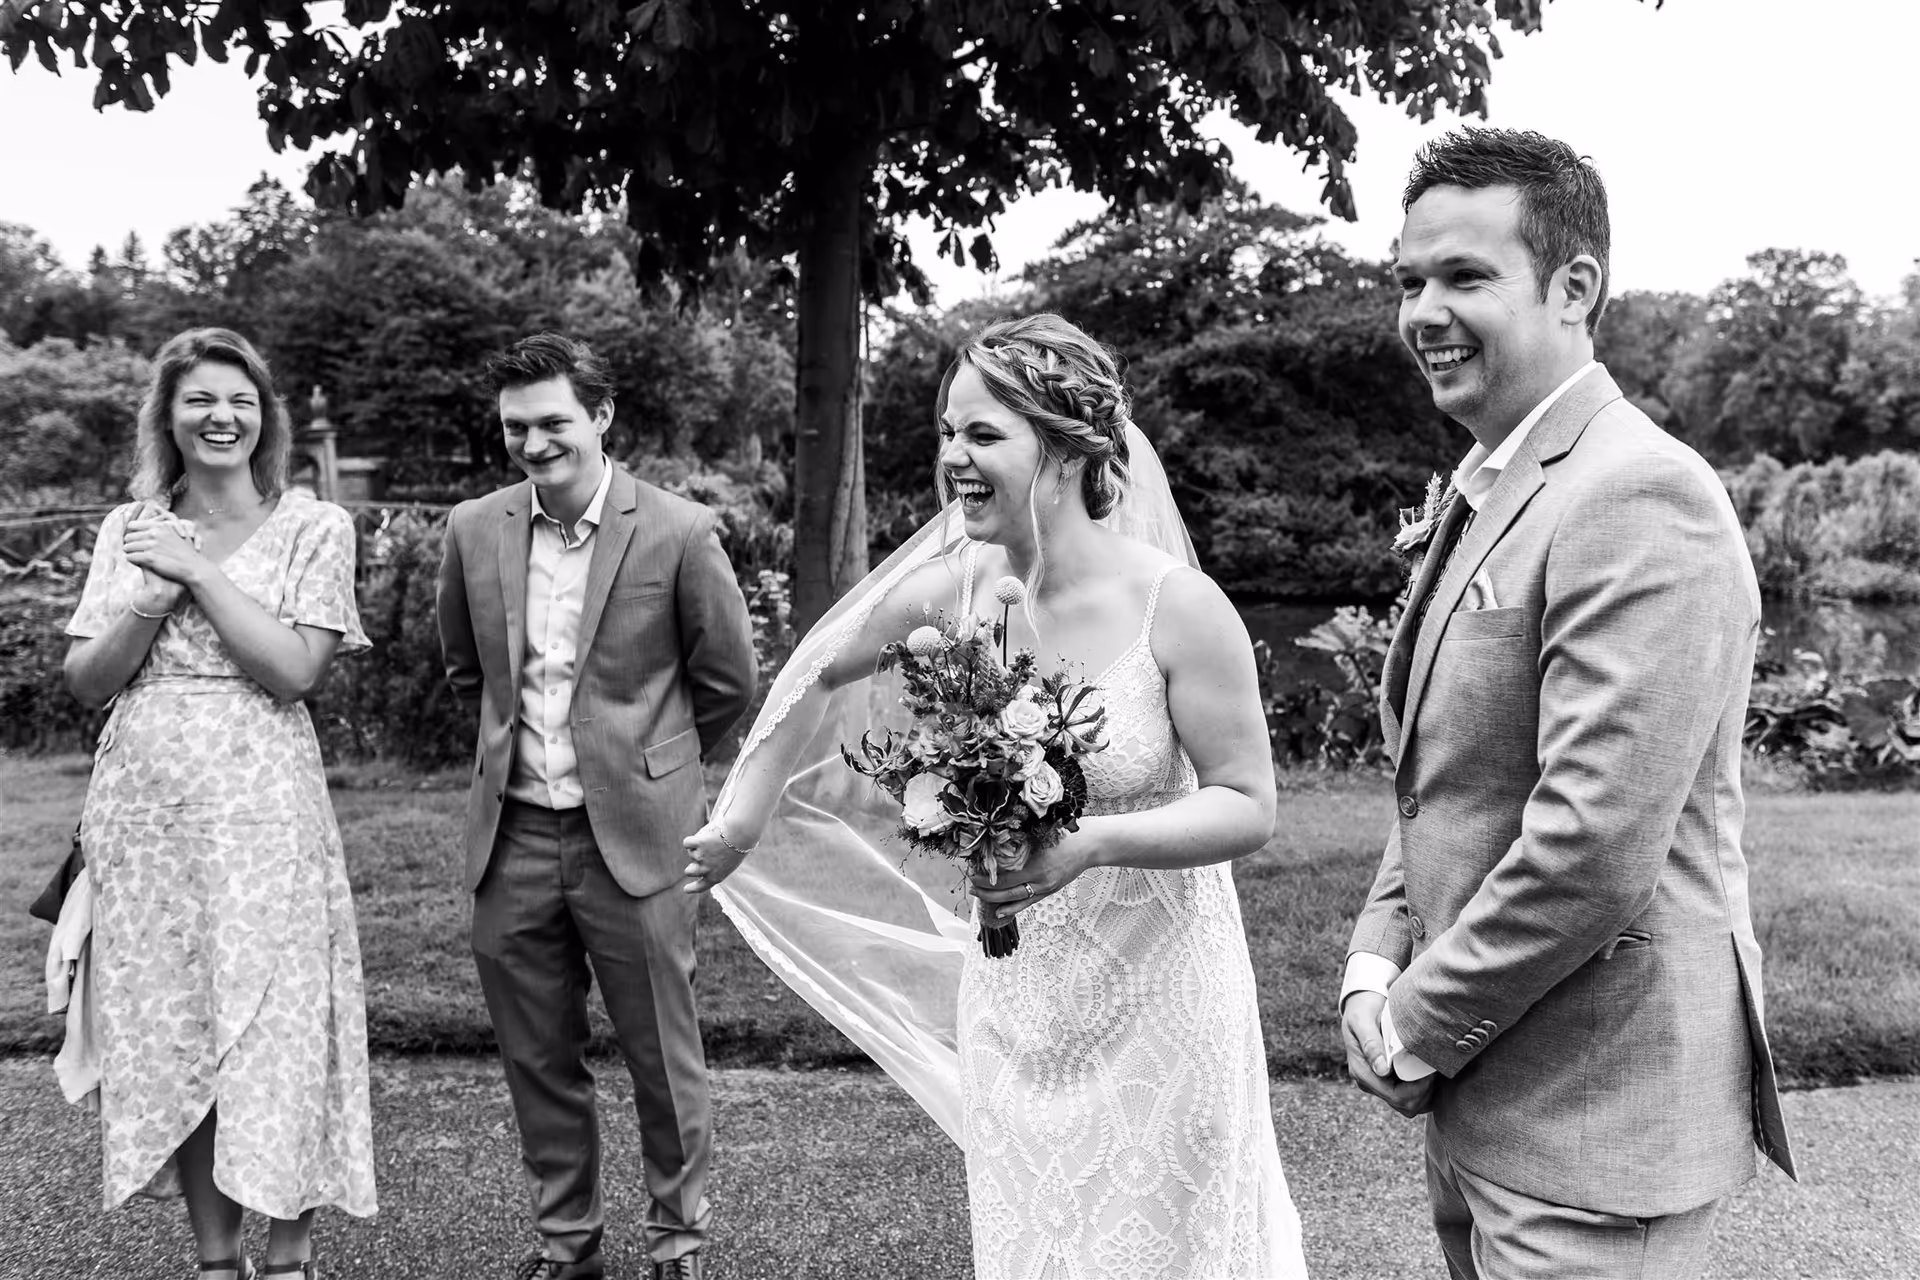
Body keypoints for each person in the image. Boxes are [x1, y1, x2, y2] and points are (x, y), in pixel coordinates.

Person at [683, 313, 1308, 1278]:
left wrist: (1092, 843)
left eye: (982, 434)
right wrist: (740, 818)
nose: (952, 459)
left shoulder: (1179, 607)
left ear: (1066, 451)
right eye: (947, 432)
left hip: (1165, 998)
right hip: (1016, 999)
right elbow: (817, 668)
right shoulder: (953, 591)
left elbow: (1248, 804)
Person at [1340, 127, 1798, 1279]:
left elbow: (1592, 844)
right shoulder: (1496, 485)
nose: (1424, 313)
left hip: (1596, 1121)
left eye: (1464, 276)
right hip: (1487, 1097)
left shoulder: (1639, 491)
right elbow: (1441, 777)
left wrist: (1413, 1025)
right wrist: (1372, 964)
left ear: (1574, 287)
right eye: (1409, 281)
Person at [435, 333, 756, 1280]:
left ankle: (678, 1242)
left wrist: (654, 766)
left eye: (552, 422)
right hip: (512, 839)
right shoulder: (473, 528)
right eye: (515, 427)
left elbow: (728, 681)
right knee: (537, 1059)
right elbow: (467, 672)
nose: (534, 443)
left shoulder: (679, 531)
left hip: (639, 837)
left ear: (601, 416)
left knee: (663, 1054)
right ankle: (567, 1246)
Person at [62, 327, 376, 1279]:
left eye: (239, 400)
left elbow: (294, 672)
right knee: (179, 1031)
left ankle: (289, 1254)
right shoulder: (129, 530)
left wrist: (197, 570)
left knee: (278, 1028)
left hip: (264, 814)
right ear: (168, 417)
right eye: (198, 399)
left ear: (265, 418)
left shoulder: (315, 526)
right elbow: (87, 681)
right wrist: (151, 596)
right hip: (145, 823)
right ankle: (214, 1257)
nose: (220, 417)